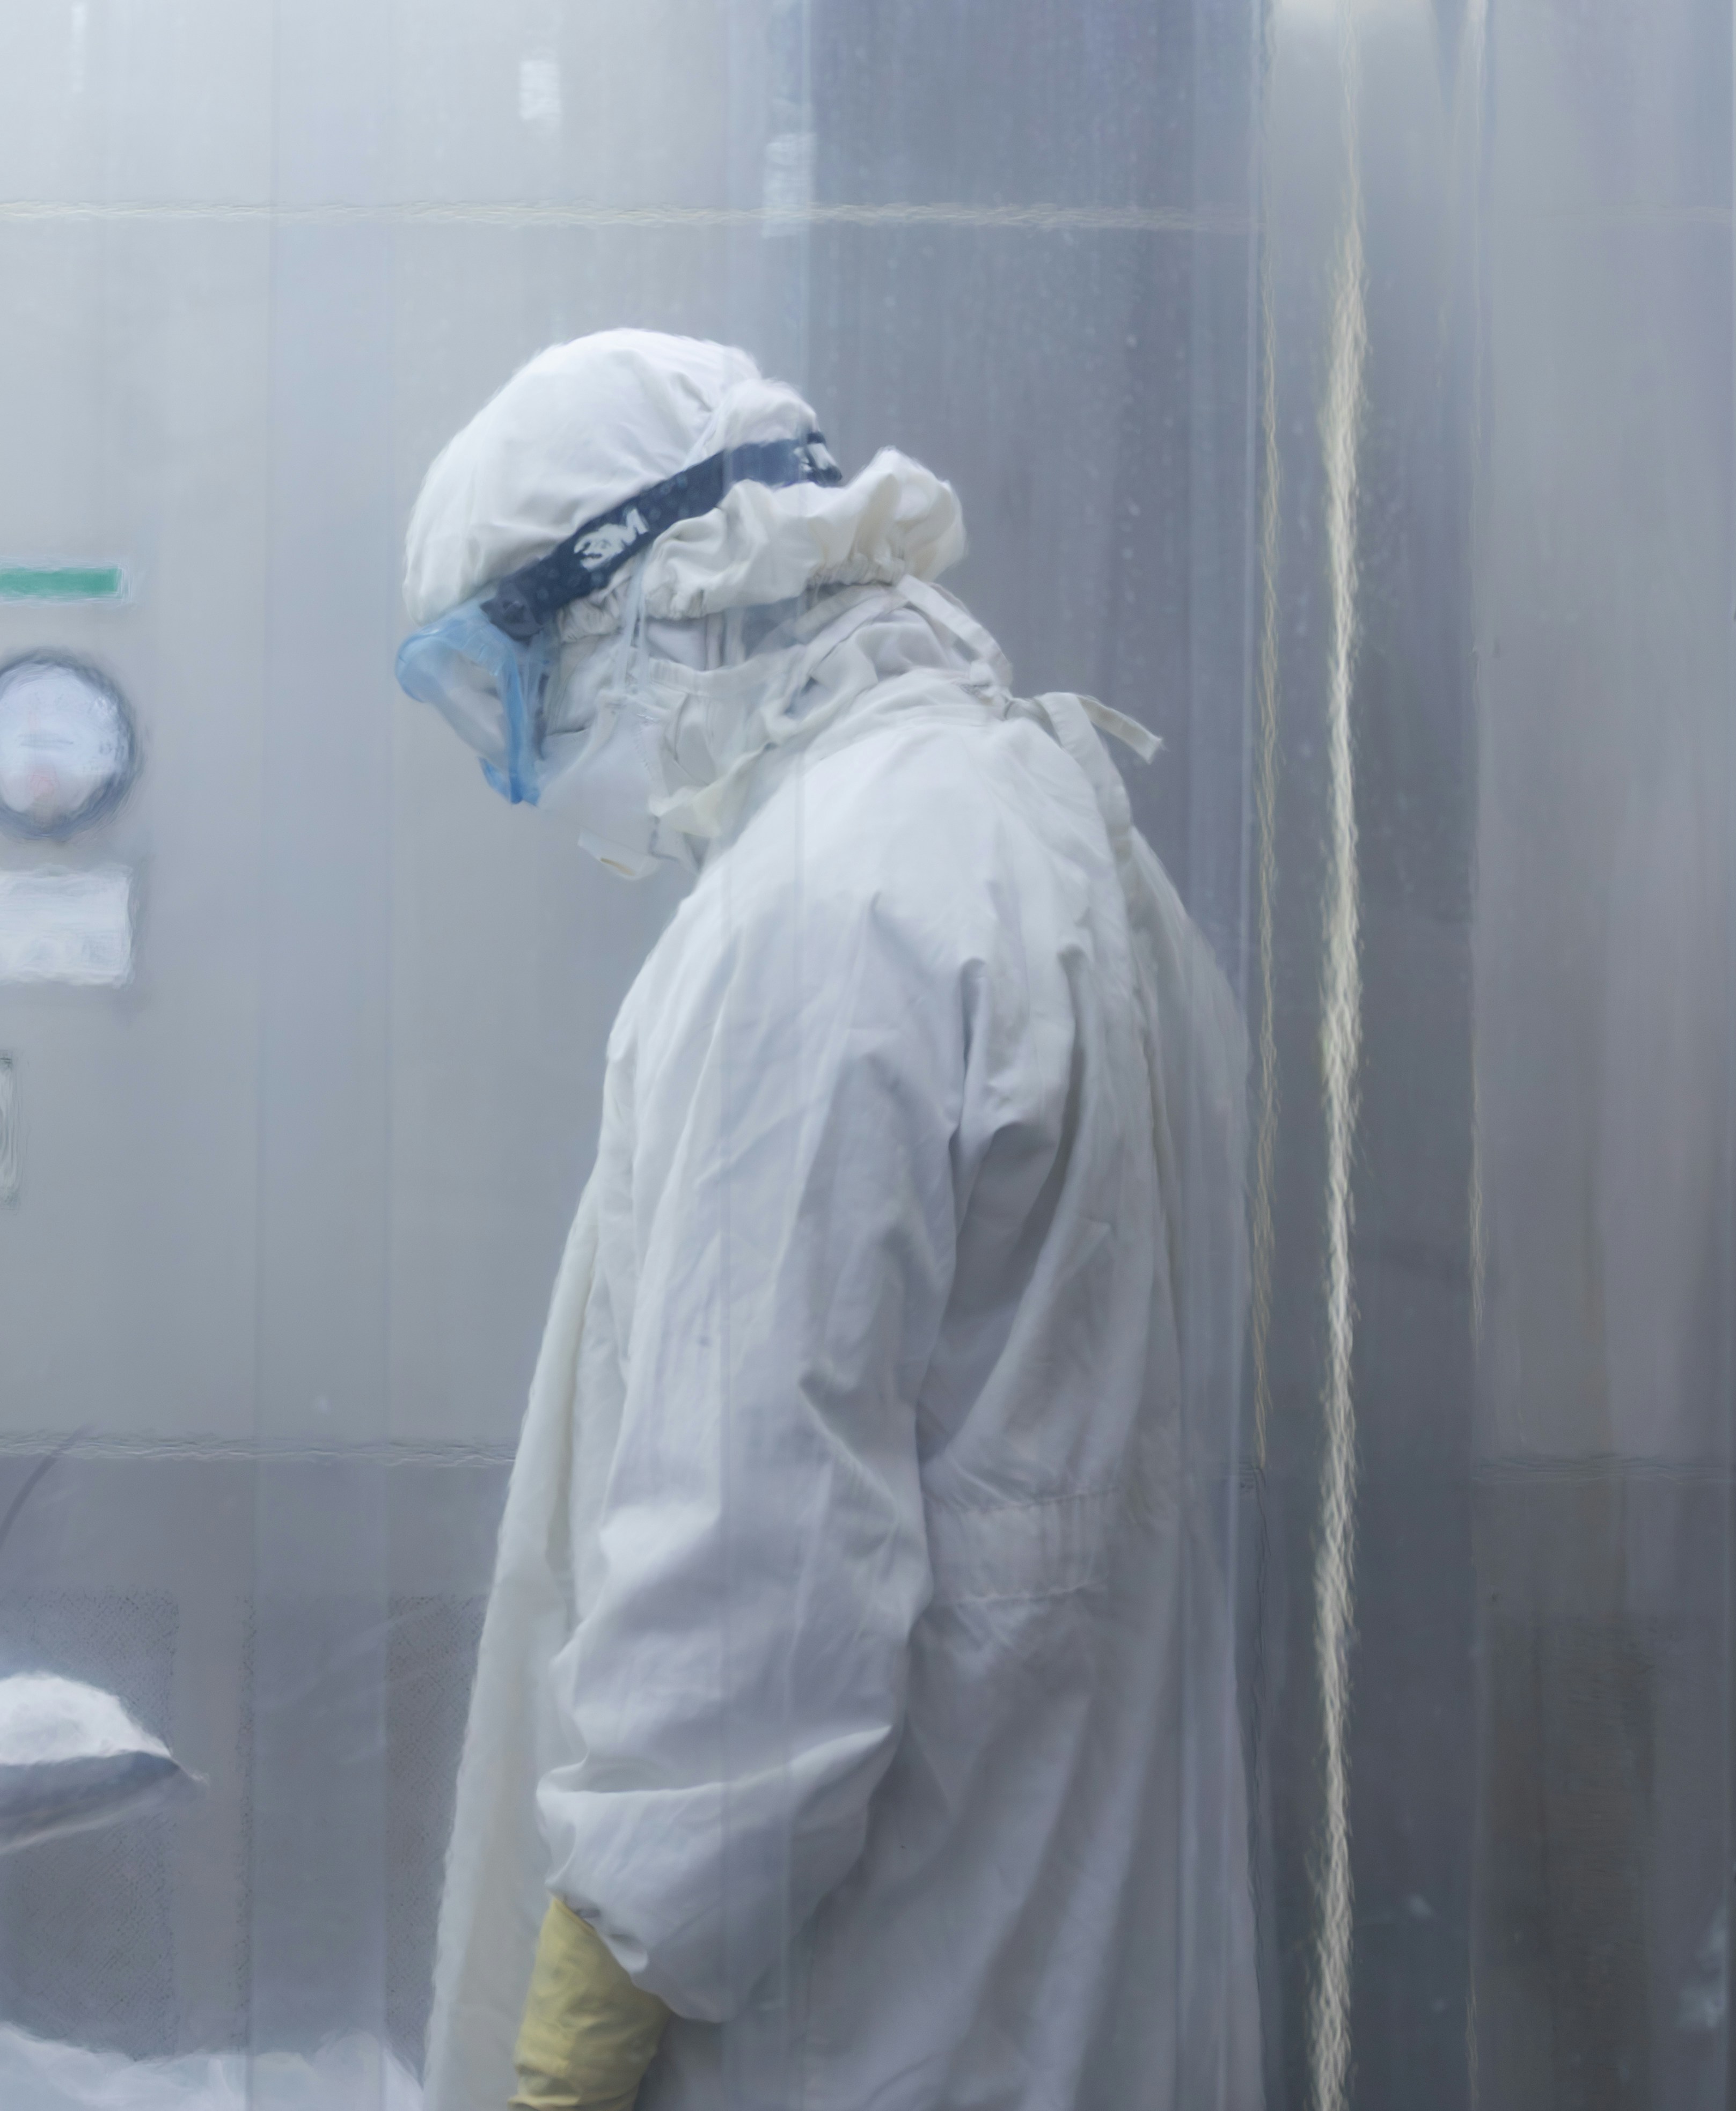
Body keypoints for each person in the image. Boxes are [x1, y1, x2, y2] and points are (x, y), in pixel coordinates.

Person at [406, 332, 1258, 2111]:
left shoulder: (823, 909)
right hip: (1067, 1961)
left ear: (652, 598)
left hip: (867, 2009)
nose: (534, 765)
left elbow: (756, 1581)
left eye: (526, 684)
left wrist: (585, 2008)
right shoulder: (1050, 815)